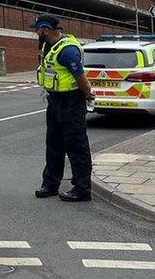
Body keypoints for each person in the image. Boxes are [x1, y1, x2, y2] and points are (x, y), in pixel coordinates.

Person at [32, 14, 94, 202]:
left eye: (37, 29)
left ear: (46, 29)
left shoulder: (66, 51)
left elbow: (81, 77)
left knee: (76, 146)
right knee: (54, 144)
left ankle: (82, 189)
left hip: (71, 101)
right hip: (55, 101)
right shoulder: (47, 46)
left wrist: (87, 93)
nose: (36, 32)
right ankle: (50, 184)